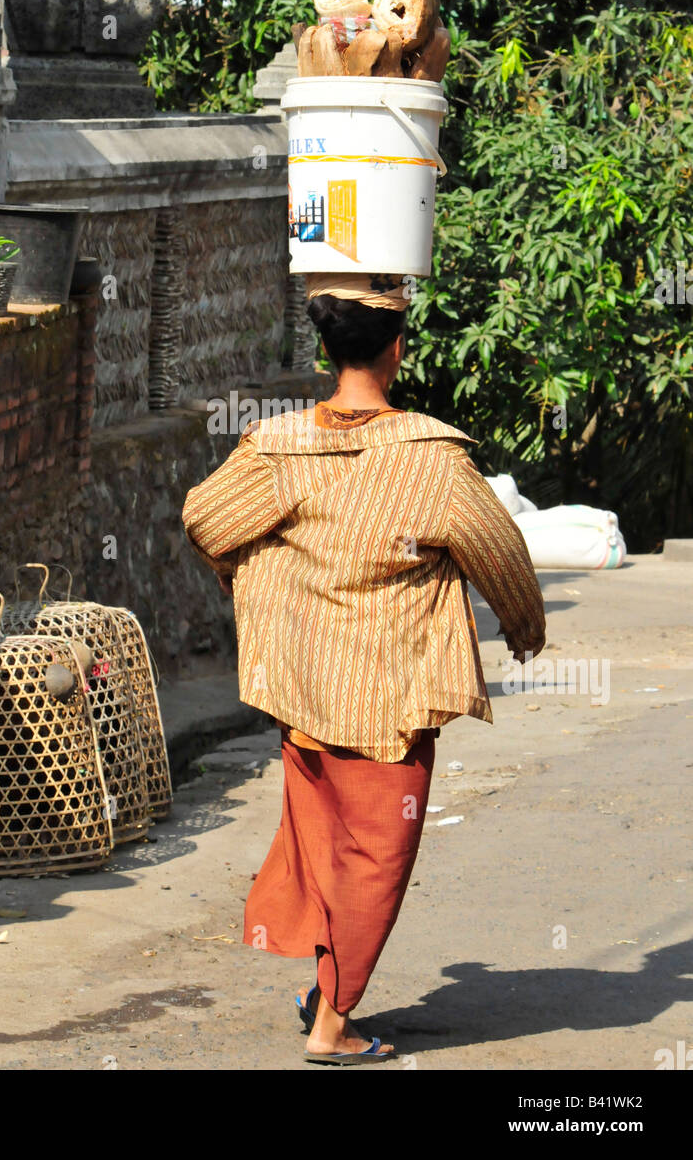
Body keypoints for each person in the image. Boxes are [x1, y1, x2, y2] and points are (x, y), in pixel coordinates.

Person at [182, 273, 545, 1065]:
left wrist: (245, 576)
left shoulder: (277, 446)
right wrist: (524, 628)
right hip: (389, 696)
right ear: (396, 350)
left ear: (322, 348)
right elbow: (502, 554)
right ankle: (332, 1025)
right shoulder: (433, 459)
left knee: (324, 844)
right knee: (375, 857)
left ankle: (325, 988)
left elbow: (204, 517)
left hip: (303, 689)